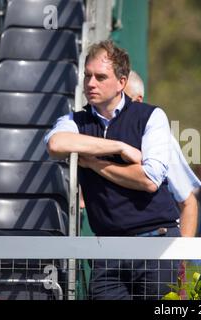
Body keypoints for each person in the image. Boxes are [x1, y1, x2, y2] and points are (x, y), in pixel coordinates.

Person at [45, 40, 180, 300]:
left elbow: (149, 179)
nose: (90, 83)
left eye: (100, 76)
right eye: (87, 76)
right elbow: (56, 143)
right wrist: (119, 147)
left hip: (156, 243)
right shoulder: (75, 119)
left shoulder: (151, 116)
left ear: (121, 82)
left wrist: (94, 162)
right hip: (105, 248)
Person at [124, 70, 201, 237]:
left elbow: (188, 203)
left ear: (138, 100)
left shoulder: (160, 138)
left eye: (124, 98)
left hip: (154, 247)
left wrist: (181, 259)